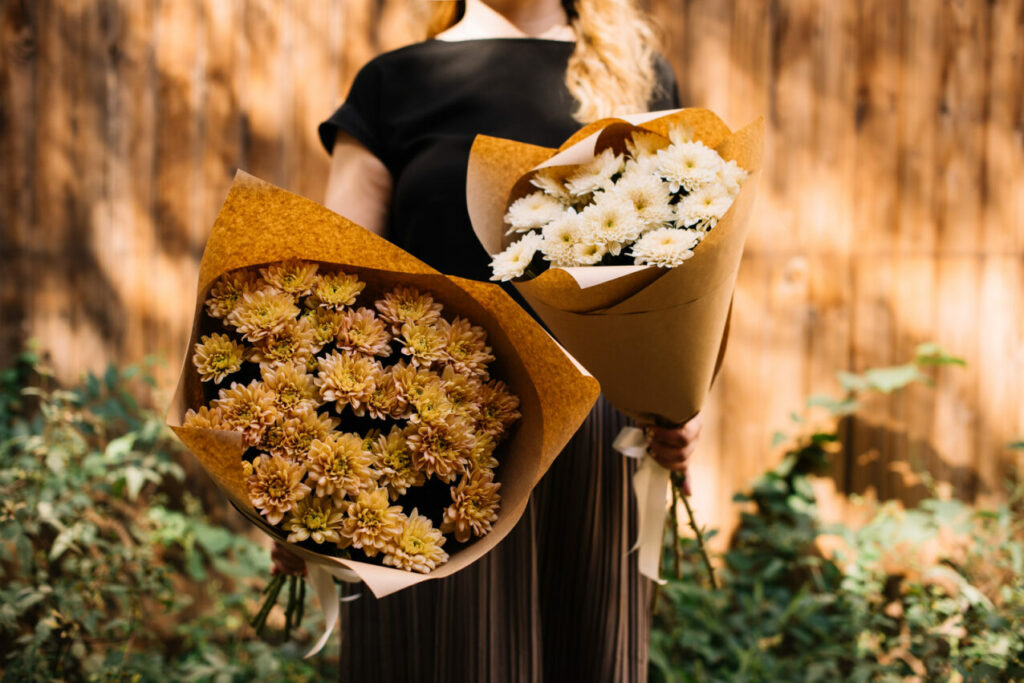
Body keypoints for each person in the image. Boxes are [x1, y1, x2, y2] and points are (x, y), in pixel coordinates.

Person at [275, 1, 702, 680]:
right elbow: (334, 292)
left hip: (592, 445)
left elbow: (674, 287)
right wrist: (299, 464)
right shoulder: (393, 85)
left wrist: (682, 404)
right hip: (427, 446)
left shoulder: (642, 84)